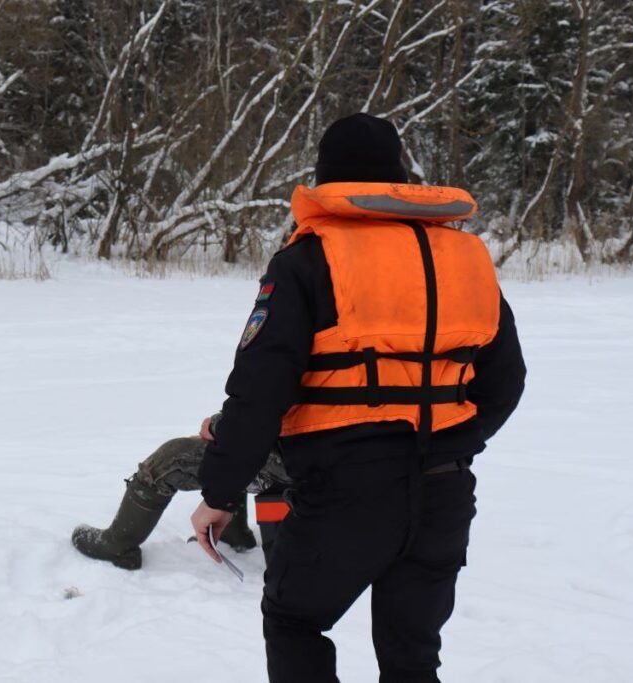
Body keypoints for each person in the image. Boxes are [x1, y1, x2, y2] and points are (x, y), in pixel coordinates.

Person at [190, 113, 526, 682]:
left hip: (344, 492)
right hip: (444, 491)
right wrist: (448, 444)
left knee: (294, 623)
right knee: (412, 658)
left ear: (326, 177)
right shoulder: (464, 259)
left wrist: (219, 494)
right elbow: (506, 382)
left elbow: (260, 390)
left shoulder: (308, 258)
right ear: (399, 174)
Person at [72, 415, 290, 570]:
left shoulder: (278, 348)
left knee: (170, 458)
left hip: (295, 461)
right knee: (230, 441)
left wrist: (217, 427)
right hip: (311, 453)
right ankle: (232, 534)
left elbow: (261, 403)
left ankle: (118, 544)